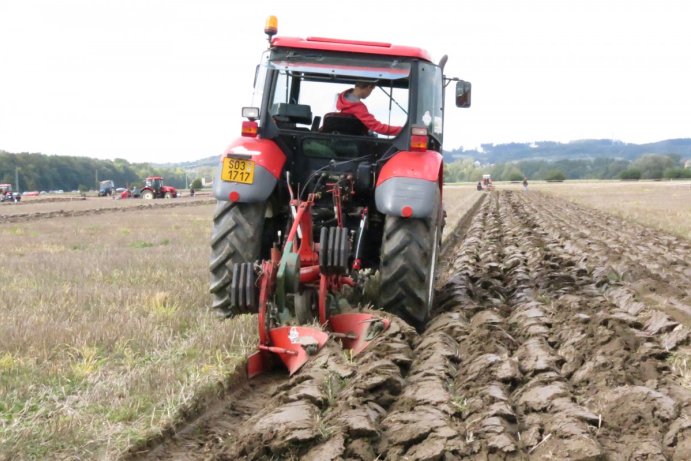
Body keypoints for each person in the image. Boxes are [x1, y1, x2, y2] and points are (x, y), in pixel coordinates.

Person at [336, 82, 402, 136]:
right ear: (369, 87)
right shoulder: (357, 107)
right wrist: (403, 130)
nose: (370, 93)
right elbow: (377, 127)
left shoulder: (342, 99)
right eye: (372, 90)